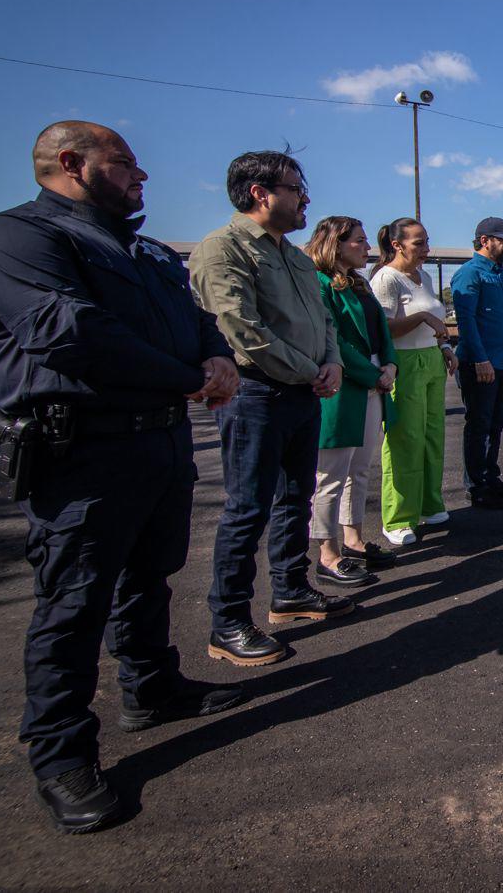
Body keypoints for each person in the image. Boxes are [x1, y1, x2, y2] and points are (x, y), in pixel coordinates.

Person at [0, 121, 244, 833]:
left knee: (151, 575)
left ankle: (152, 686)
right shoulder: (16, 238)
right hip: (81, 454)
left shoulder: (141, 247)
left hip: (158, 443)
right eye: (125, 165)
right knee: (74, 602)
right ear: (70, 163)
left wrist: (215, 358)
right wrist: (187, 377)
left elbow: (195, 316)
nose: (141, 177)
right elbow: (70, 333)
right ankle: (61, 754)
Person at [190, 150, 350, 670]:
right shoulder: (224, 248)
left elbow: (324, 321)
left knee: (294, 498)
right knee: (247, 509)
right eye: (296, 188)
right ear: (261, 193)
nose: (305, 198)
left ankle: (290, 591)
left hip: (303, 393)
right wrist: (310, 369)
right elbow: (239, 328)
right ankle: (229, 622)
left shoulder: (297, 256)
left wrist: (331, 364)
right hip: (255, 396)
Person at [305, 216, 399, 586]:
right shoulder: (320, 283)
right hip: (345, 387)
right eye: (359, 241)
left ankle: (353, 540)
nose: (367, 247)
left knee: (359, 470)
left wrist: (389, 363)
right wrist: (372, 373)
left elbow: (381, 331)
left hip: (374, 383)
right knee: (331, 475)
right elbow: (333, 341)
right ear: (336, 243)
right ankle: (327, 555)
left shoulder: (360, 283)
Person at [370, 217, 456, 544]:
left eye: (426, 241)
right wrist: (421, 317)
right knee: (404, 438)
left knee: (433, 433)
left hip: (432, 361)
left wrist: (445, 347)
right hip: (403, 363)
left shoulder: (424, 277)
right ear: (397, 245)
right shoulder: (386, 279)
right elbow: (384, 329)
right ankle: (398, 518)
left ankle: (429, 503)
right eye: (418, 243)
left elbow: (435, 322)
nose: (426, 249)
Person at [450, 216, 503, 509]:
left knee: (496, 425)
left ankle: (491, 477)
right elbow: (466, 322)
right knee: (479, 425)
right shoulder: (469, 275)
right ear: (485, 241)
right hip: (480, 365)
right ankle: (477, 485)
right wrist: (481, 359)